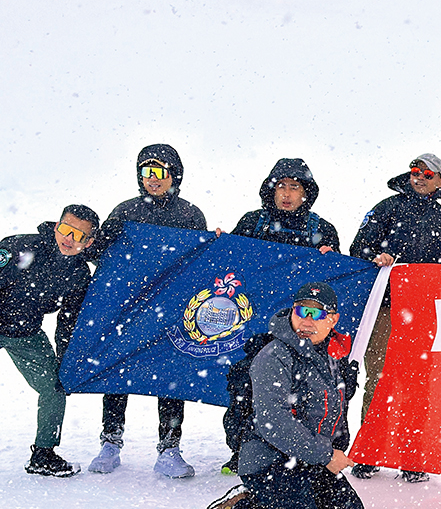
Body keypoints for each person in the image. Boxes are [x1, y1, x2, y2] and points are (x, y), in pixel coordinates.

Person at [349, 153, 441, 482]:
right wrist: (375, 255)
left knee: (417, 385)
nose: (419, 177)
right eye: (414, 171)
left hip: (422, 314)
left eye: (427, 173)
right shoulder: (387, 207)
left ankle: (411, 457)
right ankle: (369, 453)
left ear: (440, 180)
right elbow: (358, 246)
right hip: (384, 308)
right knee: (379, 381)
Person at [203, 282, 365, 509]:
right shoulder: (274, 356)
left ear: (333, 319)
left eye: (318, 313)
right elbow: (273, 423)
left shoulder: (334, 355)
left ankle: (293, 499)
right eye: (302, 311)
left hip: (308, 458)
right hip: (270, 460)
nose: (307, 321)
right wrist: (325, 455)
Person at [87, 143, 207, 478]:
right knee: (117, 370)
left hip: (170, 308)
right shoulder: (125, 210)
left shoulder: (190, 214)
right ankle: (111, 443)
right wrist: (85, 242)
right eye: (145, 171)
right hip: (128, 307)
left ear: (174, 175)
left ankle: (169, 449)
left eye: (159, 171)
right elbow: (103, 255)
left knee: (169, 376)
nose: (152, 179)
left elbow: (198, 263)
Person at [220, 159, 341, 475]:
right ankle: (245, 453)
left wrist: (336, 262)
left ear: (306, 193)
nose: (287, 194)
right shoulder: (252, 223)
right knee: (246, 390)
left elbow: (335, 282)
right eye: (281, 186)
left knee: (305, 394)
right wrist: (218, 245)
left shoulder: (322, 230)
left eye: (295, 187)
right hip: (257, 328)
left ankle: (307, 451)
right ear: (271, 190)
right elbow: (227, 263)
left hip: (306, 329)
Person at [0, 204, 99, 477]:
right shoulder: (20, 248)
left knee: (55, 386)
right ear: (56, 226)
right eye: (66, 230)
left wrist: (65, 358)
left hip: (25, 333)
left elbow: (68, 322)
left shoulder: (79, 273)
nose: (70, 240)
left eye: (80, 236)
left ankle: (43, 453)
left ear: (89, 242)